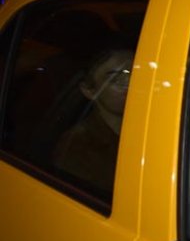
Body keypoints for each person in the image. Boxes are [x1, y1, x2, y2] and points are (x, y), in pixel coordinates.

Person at [53, 49, 133, 194]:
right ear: (90, 91)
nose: (131, 85)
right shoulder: (78, 146)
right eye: (116, 79)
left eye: (135, 76)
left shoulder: (154, 130)